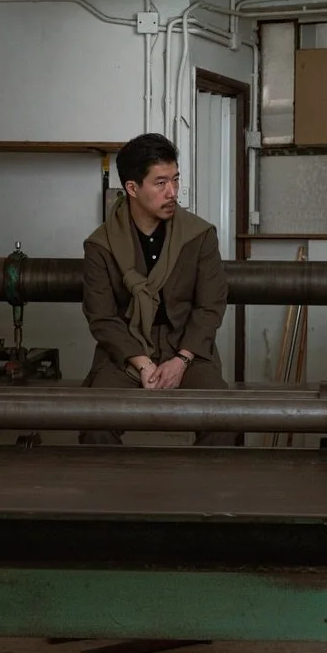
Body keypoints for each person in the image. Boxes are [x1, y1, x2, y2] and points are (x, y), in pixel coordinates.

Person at [79, 132, 236, 446]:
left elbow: (210, 307)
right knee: (95, 422)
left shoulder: (199, 235)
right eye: (161, 183)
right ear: (132, 188)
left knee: (223, 420)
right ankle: (114, 480)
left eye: (175, 180)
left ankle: (201, 480)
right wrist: (142, 362)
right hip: (126, 350)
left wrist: (181, 361)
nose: (172, 192)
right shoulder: (100, 245)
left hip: (187, 347)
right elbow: (102, 318)